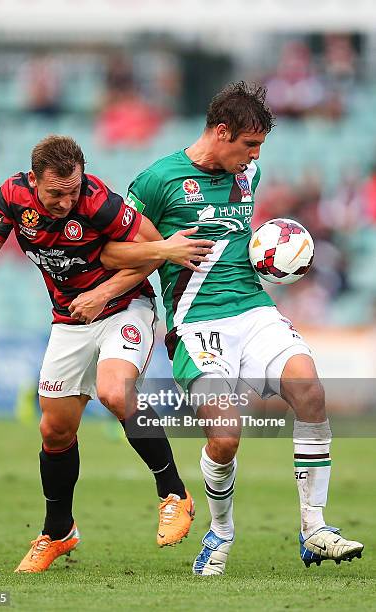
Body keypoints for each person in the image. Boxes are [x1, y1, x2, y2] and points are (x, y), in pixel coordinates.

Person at [99, 82, 364, 575]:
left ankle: (314, 528)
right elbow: (115, 250)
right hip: (196, 324)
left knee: (311, 391)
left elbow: (237, 232)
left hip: (254, 309)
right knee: (225, 435)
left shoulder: (249, 174)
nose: (255, 157)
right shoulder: (158, 180)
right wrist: (163, 252)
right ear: (222, 133)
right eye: (250, 145)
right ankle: (219, 532)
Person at [0, 135, 217, 573]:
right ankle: (58, 532)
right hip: (70, 319)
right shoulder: (12, 197)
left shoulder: (100, 201)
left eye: (73, 190)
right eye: (55, 193)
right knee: (54, 431)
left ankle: (173, 493)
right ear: (34, 180)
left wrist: (102, 292)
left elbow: (155, 252)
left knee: (114, 391)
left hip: (125, 306)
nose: (66, 201)